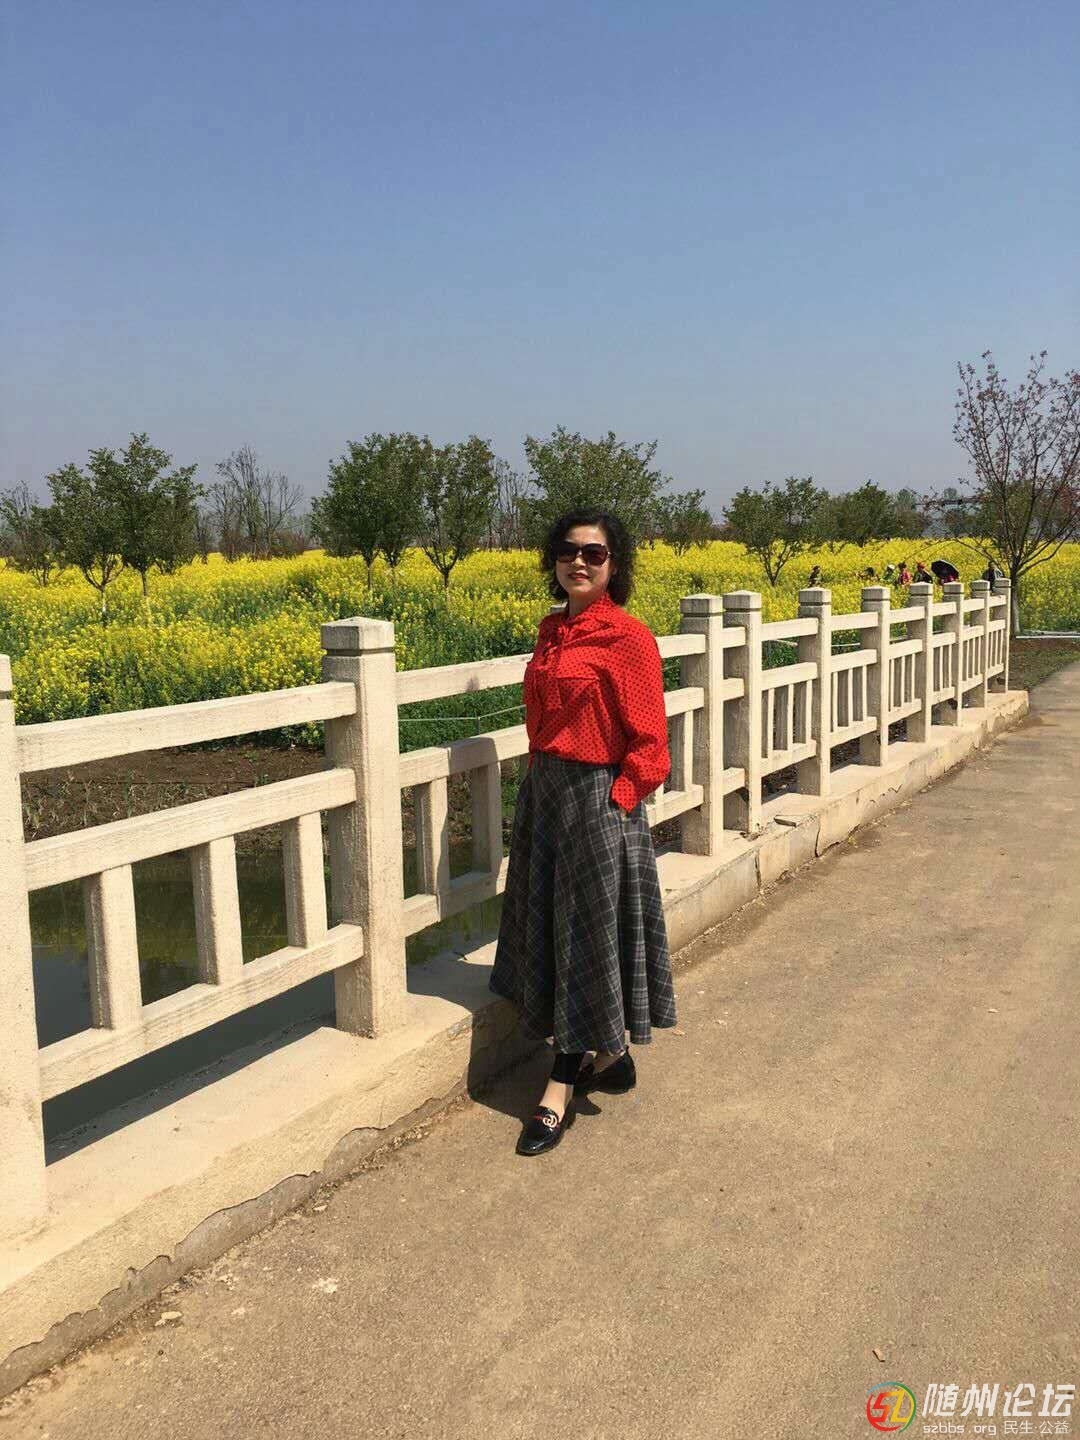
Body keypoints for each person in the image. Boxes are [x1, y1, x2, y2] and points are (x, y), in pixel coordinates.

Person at [489, 509, 677, 1156]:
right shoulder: (552, 632)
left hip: (598, 800)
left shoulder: (628, 638)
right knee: (553, 929)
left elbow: (651, 744)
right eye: (568, 551)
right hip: (547, 794)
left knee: (583, 937)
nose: (579, 562)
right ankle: (612, 1055)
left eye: (594, 553)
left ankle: (558, 1088)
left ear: (613, 564)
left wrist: (613, 805)